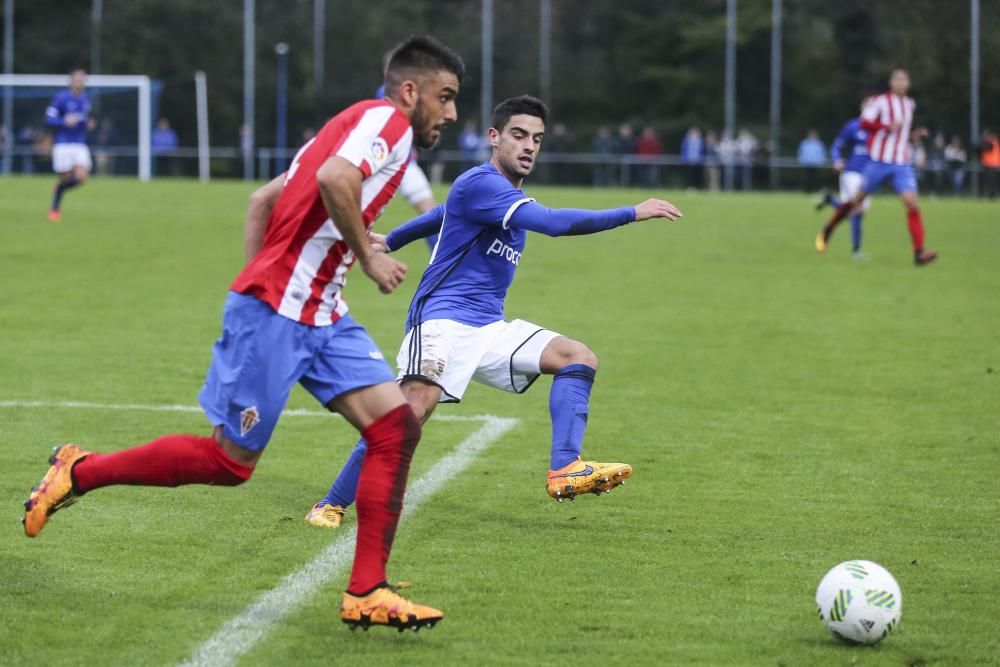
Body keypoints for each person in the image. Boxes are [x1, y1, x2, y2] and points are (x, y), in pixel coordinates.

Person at [23, 35, 465, 633]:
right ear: (412, 91)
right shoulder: (389, 121)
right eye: (446, 97)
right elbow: (337, 180)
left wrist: (310, 262)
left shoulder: (344, 126)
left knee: (393, 428)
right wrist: (357, 258)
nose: (451, 113)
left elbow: (263, 202)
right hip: (279, 314)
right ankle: (79, 471)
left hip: (319, 314)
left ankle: (368, 590)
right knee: (229, 463)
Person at [303, 95, 682, 530]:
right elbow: (555, 223)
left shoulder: (499, 195)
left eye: (537, 139)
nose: (529, 147)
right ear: (494, 137)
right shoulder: (481, 184)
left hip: (487, 327)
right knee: (411, 410)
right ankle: (329, 504)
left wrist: (393, 241)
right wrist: (632, 212)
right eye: (519, 135)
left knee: (577, 356)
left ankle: (565, 468)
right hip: (441, 320)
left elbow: (444, 213)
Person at [817, 68, 937, 266]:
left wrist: (912, 135)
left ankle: (918, 253)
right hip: (878, 162)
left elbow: (899, 134)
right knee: (855, 203)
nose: (901, 83)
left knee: (912, 203)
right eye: (897, 79)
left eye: (904, 79)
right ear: (891, 83)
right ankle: (828, 229)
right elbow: (865, 123)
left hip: (901, 163)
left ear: (908, 83)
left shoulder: (909, 104)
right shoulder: (880, 102)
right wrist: (885, 127)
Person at [816, 99, 871, 259]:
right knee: (857, 210)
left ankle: (830, 200)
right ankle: (856, 250)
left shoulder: (879, 130)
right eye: (868, 106)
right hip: (851, 172)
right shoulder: (853, 126)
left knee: (850, 209)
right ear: (862, 107)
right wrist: (837, 160)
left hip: (869, 175)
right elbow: (837, 145)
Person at [45, 68, 95, 222]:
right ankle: (56, 206)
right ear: (71, 81)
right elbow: (48, 119)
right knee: (65, 179)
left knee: (82, 177)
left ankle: (57, 197)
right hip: (62, 144)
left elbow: (83, 120)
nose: (80, 82)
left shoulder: (87, 99)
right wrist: (64, 121)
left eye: (83, 79)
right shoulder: (61, 98)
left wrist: (88, 124)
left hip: (79, 144)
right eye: (78, 79)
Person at [680, 127, 704, 191]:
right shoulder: (686, 140)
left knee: (696, 175)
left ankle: (697, 187)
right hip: (688, 161)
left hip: (697, 161)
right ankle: (689, 187)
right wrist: (684, 158)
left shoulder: (700, 141)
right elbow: (684, 150)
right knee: (689, 175)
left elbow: (701, 151)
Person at [980, 130, 1000, 200]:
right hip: (990, 164)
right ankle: (991, 195)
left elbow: (987, 147)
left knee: (991, 181)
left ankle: (991, 196)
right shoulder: (994, 142)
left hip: (991, 164)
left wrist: (983, 140)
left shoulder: (991, 142)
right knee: (991, 181)